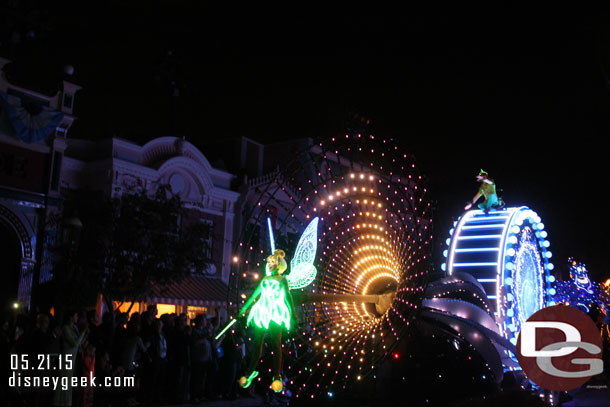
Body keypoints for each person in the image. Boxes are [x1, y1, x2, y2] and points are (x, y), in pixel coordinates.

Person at [238, 249, 296, 393]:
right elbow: (255, 295)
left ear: (278, 265)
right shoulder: (264, 280)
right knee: (258, 344)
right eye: (269, 262)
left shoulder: (282, 280)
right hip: (262, 312)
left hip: (275, 312)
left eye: (272, 262)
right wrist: (243, 309)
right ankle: (250, 372)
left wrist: (292, 312)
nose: (269, 264)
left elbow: (288, 296)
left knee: (276, 344)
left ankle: (277, 376)